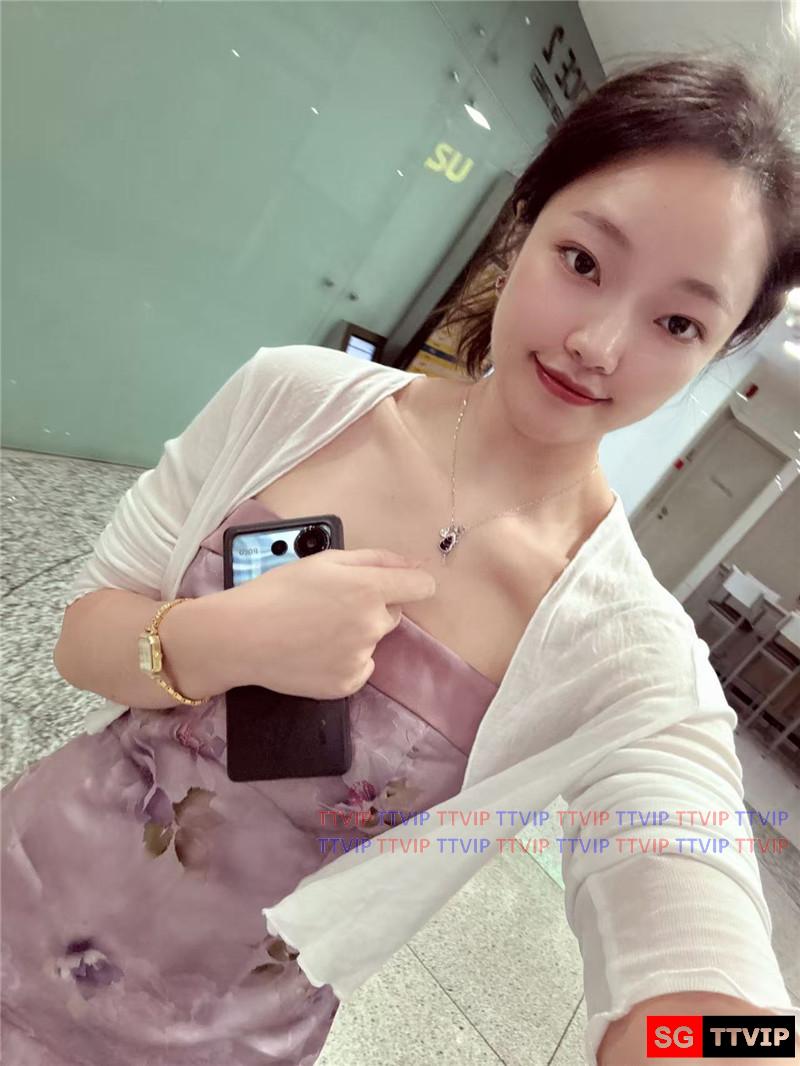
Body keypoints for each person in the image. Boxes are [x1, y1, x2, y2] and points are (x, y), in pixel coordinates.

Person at [3, 46, 799, 1066]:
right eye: (582, 261)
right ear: (523, 223)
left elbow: (696, 928)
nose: (599, 343)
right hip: (21, 877)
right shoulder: (291, 400)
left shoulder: (625, 652)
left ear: (716, 350)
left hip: (207, 1045)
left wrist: (730, 1041)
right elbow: (81, 638)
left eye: (677, 321)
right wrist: (220, 638)